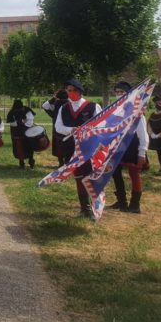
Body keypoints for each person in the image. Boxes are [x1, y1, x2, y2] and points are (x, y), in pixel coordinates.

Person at [55, 78, 102, 218]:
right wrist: (71, 130)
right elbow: (58, 127)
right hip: (71, 147)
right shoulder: (63, 108)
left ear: (80, 91)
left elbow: (100, 125)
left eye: (74, 90)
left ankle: (95, 207)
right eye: (69, 90)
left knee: (91, 176)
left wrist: (88, 131)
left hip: (89, 147)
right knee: (79, 177)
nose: (71, 93)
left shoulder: (92, 106)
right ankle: (84, 208)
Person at [107, 81, 149, 213]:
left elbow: (143, 134)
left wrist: (142, 152)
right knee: (115, 172)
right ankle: (122, 201)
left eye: (122, 92)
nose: (119, 94)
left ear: (129, 94)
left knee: (134, 174)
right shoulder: (115, 111)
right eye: (117, 92)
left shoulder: (137, 111)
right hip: (119, 147)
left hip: (133, 147)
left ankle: (135, 205)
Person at [7, 99, 36, 169]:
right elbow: (29, 122)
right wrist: (21, 122)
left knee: (24, 147)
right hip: (20, 133)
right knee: (23, 147)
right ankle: (25, 162)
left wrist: (19, 123)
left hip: (23, 132)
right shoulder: (13, 112)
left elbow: (13, 123)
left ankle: (28, 161)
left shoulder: (15, 111)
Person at [42, 90, 69, 166]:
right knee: (68, 145)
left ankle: (61, 163)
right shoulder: (71, 103)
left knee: (59, 145)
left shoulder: (56, 103)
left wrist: (53, 99)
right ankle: (67, 163)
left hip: (57, 128)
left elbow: (44, 106)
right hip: (68, 128)